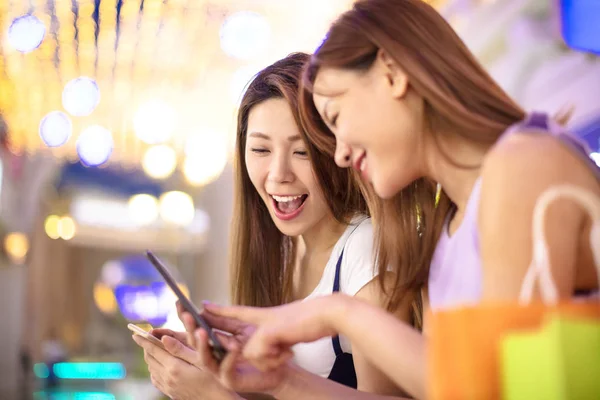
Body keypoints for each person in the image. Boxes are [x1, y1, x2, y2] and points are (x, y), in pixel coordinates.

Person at [198, 0, 600, 399]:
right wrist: (280, 379)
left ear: (391, 74)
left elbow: (495, 391)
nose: (338, 153)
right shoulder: (451, 224)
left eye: (335, 118)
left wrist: (338, 313)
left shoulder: (523, 166)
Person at [132, 52, 422, 399]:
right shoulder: (288, 249)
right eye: (260, 149)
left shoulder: (365, 251)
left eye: (302, 152)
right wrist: (223, 370)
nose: (278, 174)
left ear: (338, 152)